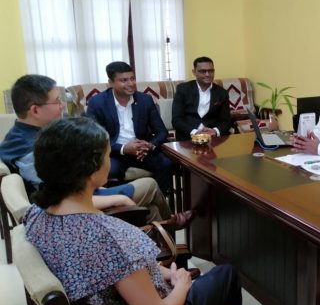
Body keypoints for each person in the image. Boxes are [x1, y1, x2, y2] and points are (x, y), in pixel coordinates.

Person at [23, 116, 241, 305]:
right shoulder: (110, 238)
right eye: (107, 155)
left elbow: (116, 272)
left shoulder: (36, 214)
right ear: (93, 170)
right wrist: (181, 283)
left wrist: (160, 272)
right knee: (226, 274)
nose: (109, 161)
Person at [0, 74, 189, 226]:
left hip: (82, 193)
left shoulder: (22, 136)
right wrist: (117, 199)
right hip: (77, 208)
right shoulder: (30, 151)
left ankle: (163, 234)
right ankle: (170, 226)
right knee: (150, 185)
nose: (62, 105)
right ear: (35, 110)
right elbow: (58, 201)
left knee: (152, 209)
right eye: (57, 101)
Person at [86, 61, 174, 194]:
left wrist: (150, 145)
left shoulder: (145, 100)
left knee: (166, 163)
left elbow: (161, 131)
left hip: (142, 151)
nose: (131, 83)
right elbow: (94, 138)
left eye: (132, 78)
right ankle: (122, 204)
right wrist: (123, 148)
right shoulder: (97, 102)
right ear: (111, 83)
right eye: (124, 80)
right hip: (114, 152)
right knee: (109, 172)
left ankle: (156, 199)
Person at [172, 56, 233, 141]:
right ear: (194, 72)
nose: (207, 74)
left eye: (210, 71)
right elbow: (176, 120)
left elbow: (226, 120)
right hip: (188, 138)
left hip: (213, 139)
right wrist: (195, 133)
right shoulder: (183, 89)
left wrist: (215, 131)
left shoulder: (222, 92)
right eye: (203, 71)